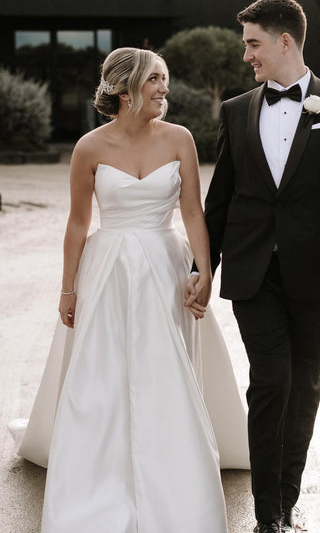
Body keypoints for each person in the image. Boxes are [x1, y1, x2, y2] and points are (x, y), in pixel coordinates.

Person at [8, 47, 250, 533]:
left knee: (165, 369)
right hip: (108, 269)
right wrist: (67, 290)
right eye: (155, 80)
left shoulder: (180, 139)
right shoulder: (89, 148)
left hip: (165, 265)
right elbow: (78, 224)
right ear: (125, 90)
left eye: (165, 78)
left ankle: (173, 478)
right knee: (103, 373)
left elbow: (193, 214)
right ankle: (98, 478)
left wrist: (203, 271)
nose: (165, 88)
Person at [185, 0, 320, 533]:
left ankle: (287, 497)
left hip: (315, 277)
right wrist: (204, 267)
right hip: (253, 273)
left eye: (253, 43)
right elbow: (221, 200)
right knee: (272, 381)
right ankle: (267, 514)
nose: (247, 55)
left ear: (284, 41)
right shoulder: (236, 110)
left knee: (307, 385)